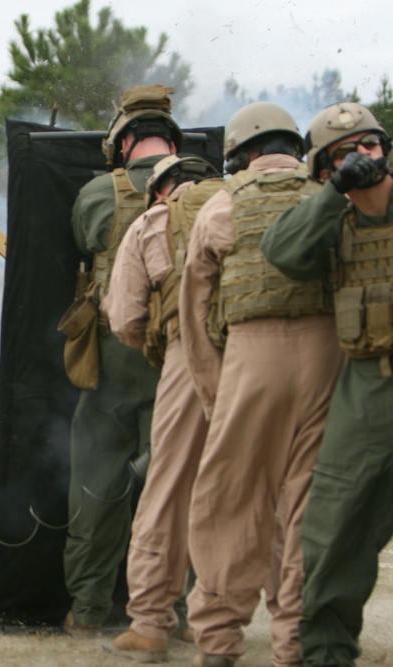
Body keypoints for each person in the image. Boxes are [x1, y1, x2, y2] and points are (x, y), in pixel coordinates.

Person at [178, 101, 345, 667]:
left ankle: (220, 643)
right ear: (296, 148)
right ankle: (294, 644)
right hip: (330, 358)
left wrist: (216, 395)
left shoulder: (221, 207)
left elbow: (195, 315)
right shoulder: (332, 197)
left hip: (249, 361)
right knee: (308, 505)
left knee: (230, 503)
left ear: (239, 155)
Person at [261, 102, 393, 667]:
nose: (364, 157)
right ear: (323, 171)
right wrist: (334, 194)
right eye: (346, 154)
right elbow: (281, 251)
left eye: (371, 145)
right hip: (368, 387)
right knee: (336, 525)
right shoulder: (329, 224)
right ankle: (326, 651)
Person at [64, 84, 181, 632]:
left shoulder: (96, 194)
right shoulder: (207, 191)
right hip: (182, 358)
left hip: (114, 355)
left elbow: (85, 248)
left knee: (95, 486)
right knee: (179, 485)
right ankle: (175, 613)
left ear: (124, 139)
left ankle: (88, 611)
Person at [101, 154, 223, 662]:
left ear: (158, 191)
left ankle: (151, 624)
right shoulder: (241, 204)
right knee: (256, 490)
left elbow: (124, 316)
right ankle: (219, 622)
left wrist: (163, 344)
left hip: (190, 358)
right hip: (272, 356)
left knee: (168, 487)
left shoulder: (153, 222)